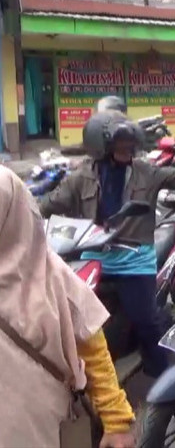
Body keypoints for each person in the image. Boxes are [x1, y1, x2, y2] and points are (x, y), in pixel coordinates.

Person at [40, 112, 175, 378]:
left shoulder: (145, 172)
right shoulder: (80, 177)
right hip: (94, 254)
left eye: (130, 144)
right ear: (101, 148)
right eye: (121, 145)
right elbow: (48, 204)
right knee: (70, 314)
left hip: (134, 259)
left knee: (147, 321)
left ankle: (164, 379)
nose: (128, 149)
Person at [0, 166, 136, 448]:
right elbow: (55, 199)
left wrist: (116, 418)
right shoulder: (83, 174)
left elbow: (91, 345)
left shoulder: (51, 276)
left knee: (148, 318)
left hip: (44, 431)